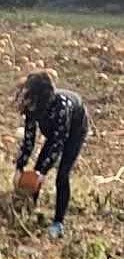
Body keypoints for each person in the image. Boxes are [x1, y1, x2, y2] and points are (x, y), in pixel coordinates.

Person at [14, 70, 89, 239]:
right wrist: (19, 167)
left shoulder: (62, 107)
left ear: (41, 97)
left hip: (74, 133)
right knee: (35, 170)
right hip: (55, 133)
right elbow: (29, 141)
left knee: (62, 175)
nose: (26, 100)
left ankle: (58, 223)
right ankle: (28, 210)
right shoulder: (32, 109)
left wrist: (44, 172)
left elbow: (59, 143)